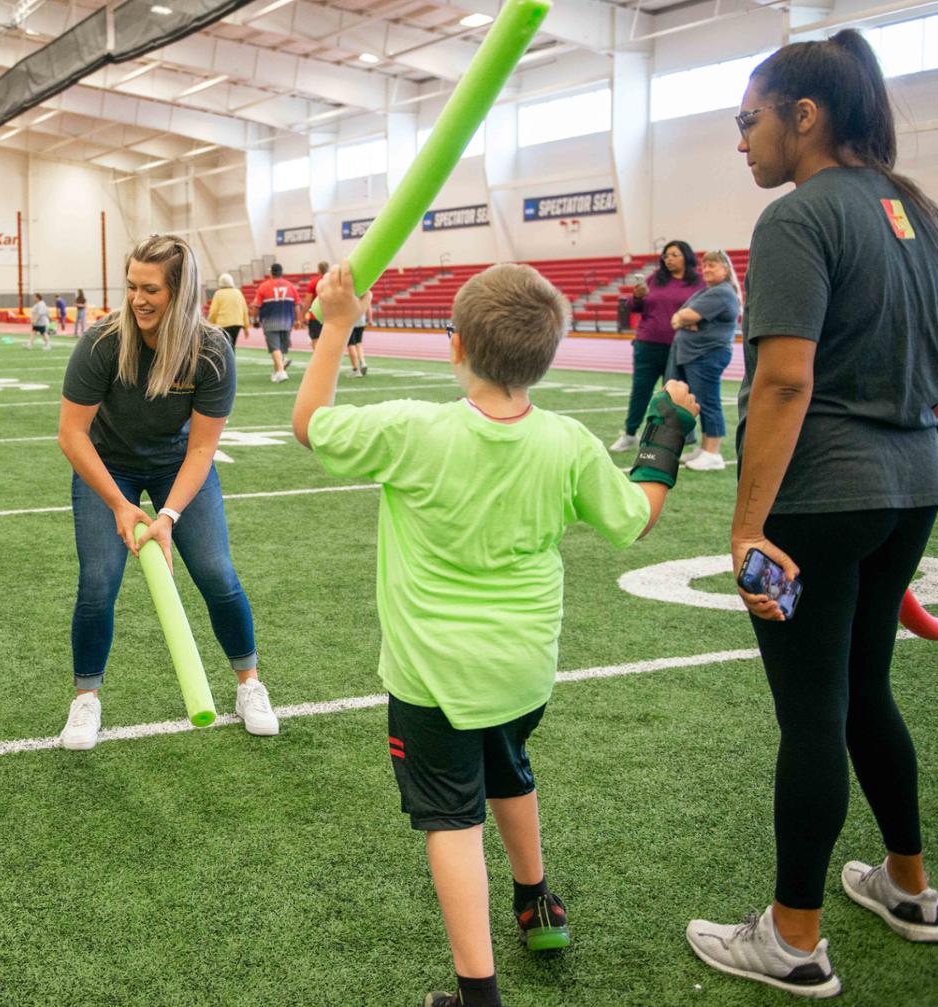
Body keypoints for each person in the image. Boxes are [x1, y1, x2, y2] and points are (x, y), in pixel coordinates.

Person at [295, 261, 699, 1007]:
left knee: (451, 819)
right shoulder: (569, 442)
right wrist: (665, 434)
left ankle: (478, 995)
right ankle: (536, 899)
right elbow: (632, 518)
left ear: (455, 347)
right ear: (543, 357)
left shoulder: (414, 428)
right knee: (509, 766)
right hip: (523, 670)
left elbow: (308, 422)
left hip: (434, 679)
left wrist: (339, 324)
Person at [686, 30, 938, 1000]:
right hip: (914, 485)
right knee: (867, 687)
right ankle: (909, 886)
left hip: (823, 498)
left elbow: (785, 379)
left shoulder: (798, 219)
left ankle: (793, 937)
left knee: (813, 713)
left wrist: (746, 523)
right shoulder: (922, 213)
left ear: (806, 116)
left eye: (749, 119)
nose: (741, 141)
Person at [57, 234, 278, 750]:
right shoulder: (102, 342)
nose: (138, 299)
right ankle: (85, 699)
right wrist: (117, 502)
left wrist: (170, 515)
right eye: (132, 286)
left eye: (151, 288)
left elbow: (202, 450)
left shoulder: (211, 350)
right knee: (98, 581)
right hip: (108, 466)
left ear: (181, 292)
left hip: (177, 466)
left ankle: (249, 684)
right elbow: (71, 434)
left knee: (216, 573)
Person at [610, 241, 702, 453]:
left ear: (686, 257)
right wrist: (637, 296)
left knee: (675, 396)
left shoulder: (698, 283)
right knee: (640, 391)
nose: (668, 259)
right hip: (647, 345)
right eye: (666, 255)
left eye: (674, 255)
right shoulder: (654, 278)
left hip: (680, 348)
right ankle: (630, 433)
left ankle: (673, 440)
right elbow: (635, 307)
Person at [667, 249, 740, 472]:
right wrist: (682, 317)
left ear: (725, 269)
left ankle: (713, 453)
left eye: (713, 265)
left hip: (706, 355)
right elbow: (678, 315)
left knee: (708, 402)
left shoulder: (721, 293)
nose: (706, 269)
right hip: (696, 354)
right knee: (702, 400)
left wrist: (684, 318)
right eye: (705, 265)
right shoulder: (710, 291)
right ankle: (705, 448)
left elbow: (686, 315)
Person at [253, 262, 298, 382]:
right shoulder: (290, 286)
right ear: (282, 272)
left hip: (270, 321)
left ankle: (281, 372)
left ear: (271, 273)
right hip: (287, 321)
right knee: (281, 348)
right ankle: (278, 370)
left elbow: (257, 306)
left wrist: (255, 320)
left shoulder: (264, 286)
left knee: (275, 348)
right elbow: (297, 305)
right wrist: (298, 320)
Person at [206, 272, 249, 348]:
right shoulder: (238, 293)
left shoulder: (218, 294)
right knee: (232, 345)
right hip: (237, 323)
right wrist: (246, 327)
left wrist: (210, 324)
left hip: (223, 324)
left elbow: (213, 311)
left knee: (224, 347)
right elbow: (244, 310)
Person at [303, 260, 329, 347]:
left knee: (315, 339)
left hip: (315, 315)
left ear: (318, 270)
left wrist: (304, 316)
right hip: (329, 315)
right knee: (327, 339)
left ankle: (320, 359)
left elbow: (307, 302)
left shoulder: (314, 282)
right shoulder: (332, 282)